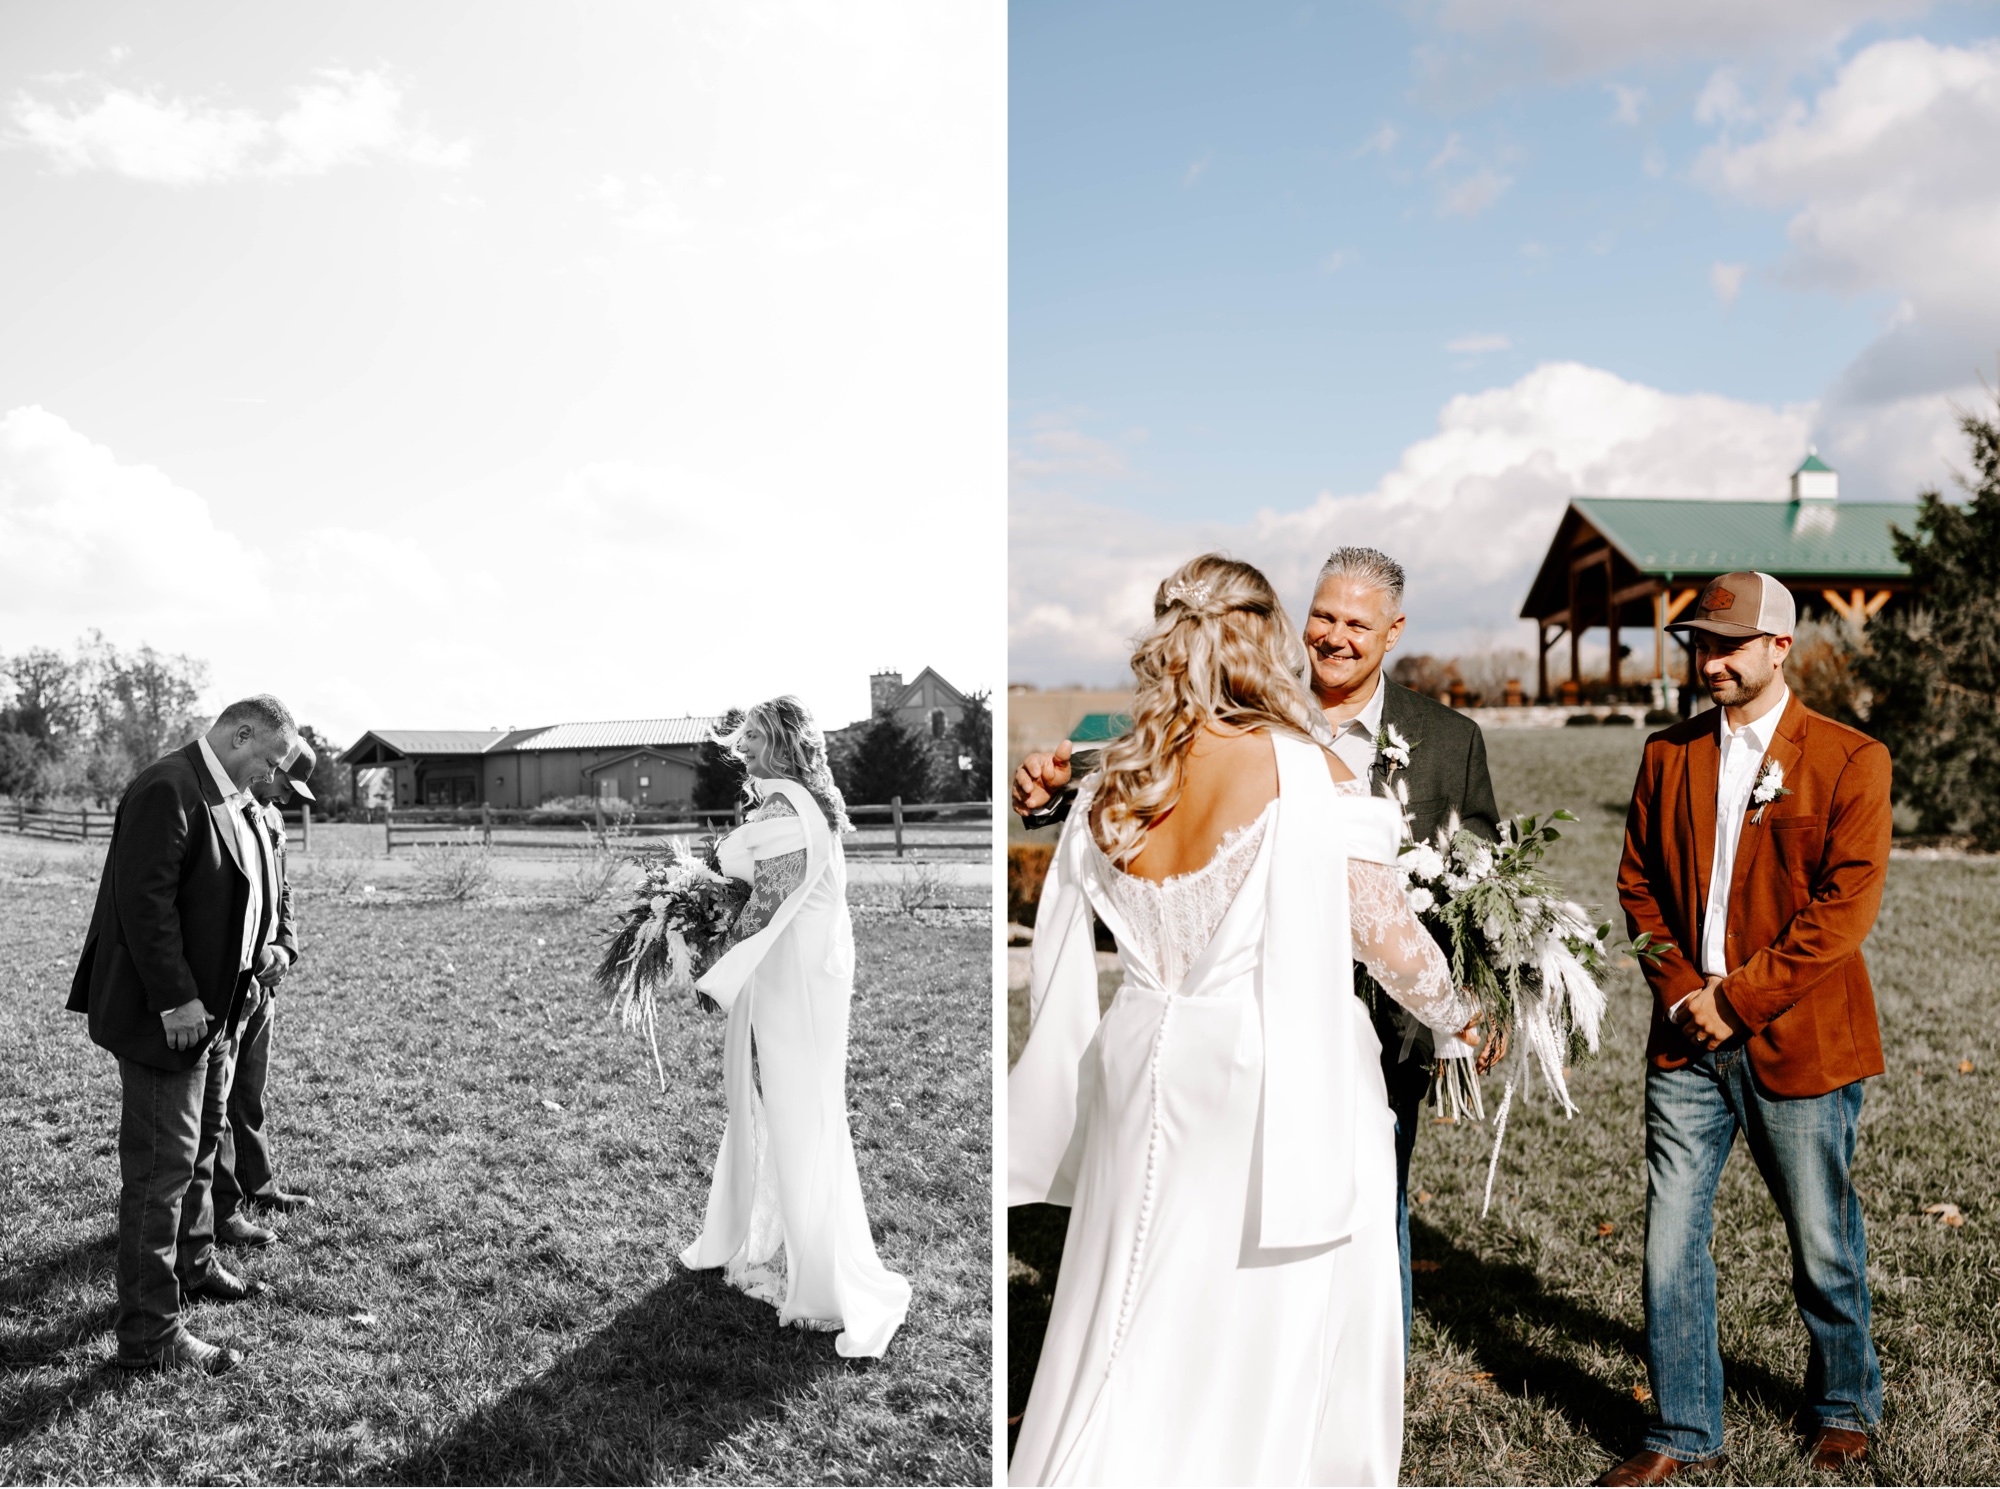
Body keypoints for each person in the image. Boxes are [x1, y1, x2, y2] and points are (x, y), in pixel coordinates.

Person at [1008, 555, 1482, 1485]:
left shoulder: (1117, 782)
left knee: (1131, 1289)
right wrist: (1462, 1013)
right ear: (1263, 638)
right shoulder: (1302, 769)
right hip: (1261, 1070)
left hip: (1139, 1058)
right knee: (1255, 1306)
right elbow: (1386, 935)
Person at [1601, 572, 1891, 1485]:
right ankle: (1681, 1427)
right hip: (1686, 1040)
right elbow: (1636, 885)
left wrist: (1739, 999)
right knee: (1669, 1240)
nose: (1712, 660)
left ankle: (1844, 1404)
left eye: (1730, 644)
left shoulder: (1850, 758)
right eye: (1702, 643)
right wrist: (1684, 991)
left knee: (1821, 1239)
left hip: (1799, 1036)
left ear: (1780, 648)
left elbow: (1842, 913)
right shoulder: (1667, 753)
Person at [66, 695, 303, 1375]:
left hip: (220, 1012)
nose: (272, 775)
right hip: (169, 1019)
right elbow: (143, 904)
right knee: (158, 1174)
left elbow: (243, 894)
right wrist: (175, 1001)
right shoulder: (168, 786)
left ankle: (195, 1263)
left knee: (200, 1151)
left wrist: (267, 952)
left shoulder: (229, 795)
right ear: (241, 733)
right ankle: (149, 1335)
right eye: (270, 760)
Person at [683, 695, 912, 1359]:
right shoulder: (795, 801)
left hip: (798, 983)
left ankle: (821, 1281)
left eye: (755, 738)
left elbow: (765, 906)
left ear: (784, 743)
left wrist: (715, 969)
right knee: (789, 1106)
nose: (742, 748)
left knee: (800, 1110)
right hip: (796, 971)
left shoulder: (788, 810)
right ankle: (786, 1245)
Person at [211, 742, 317, 1249]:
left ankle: (260, 1184)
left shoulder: (272, 818)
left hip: (266, 975)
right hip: (233, 977)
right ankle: (222, 1208)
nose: (286, 796)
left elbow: (282, 891)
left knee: (249, 1091)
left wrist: (285, 947)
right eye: (284, 782)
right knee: (217, 1097)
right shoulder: (225, 813)